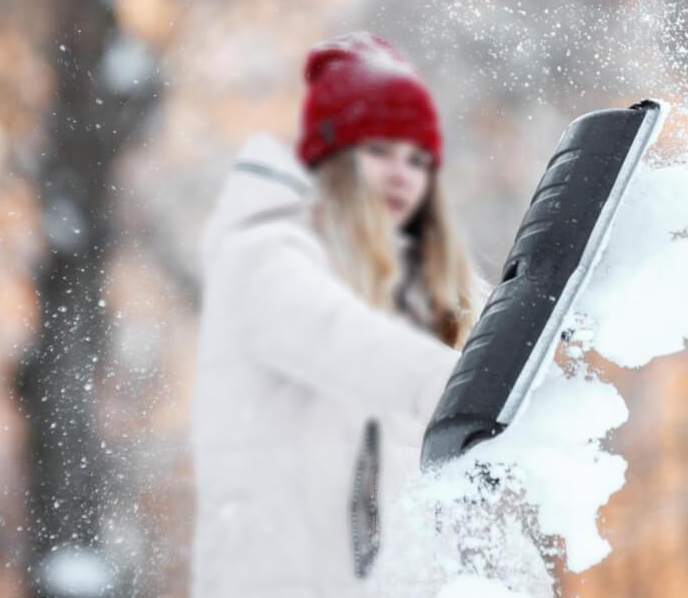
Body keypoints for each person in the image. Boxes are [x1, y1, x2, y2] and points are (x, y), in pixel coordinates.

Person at [191, 32, 486, 597]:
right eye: (378, 150)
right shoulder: (262, 255)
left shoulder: (410, 294)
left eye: (418, 158)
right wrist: (475, 387)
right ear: (330, 160)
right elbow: (338, 340)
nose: (403, 174)